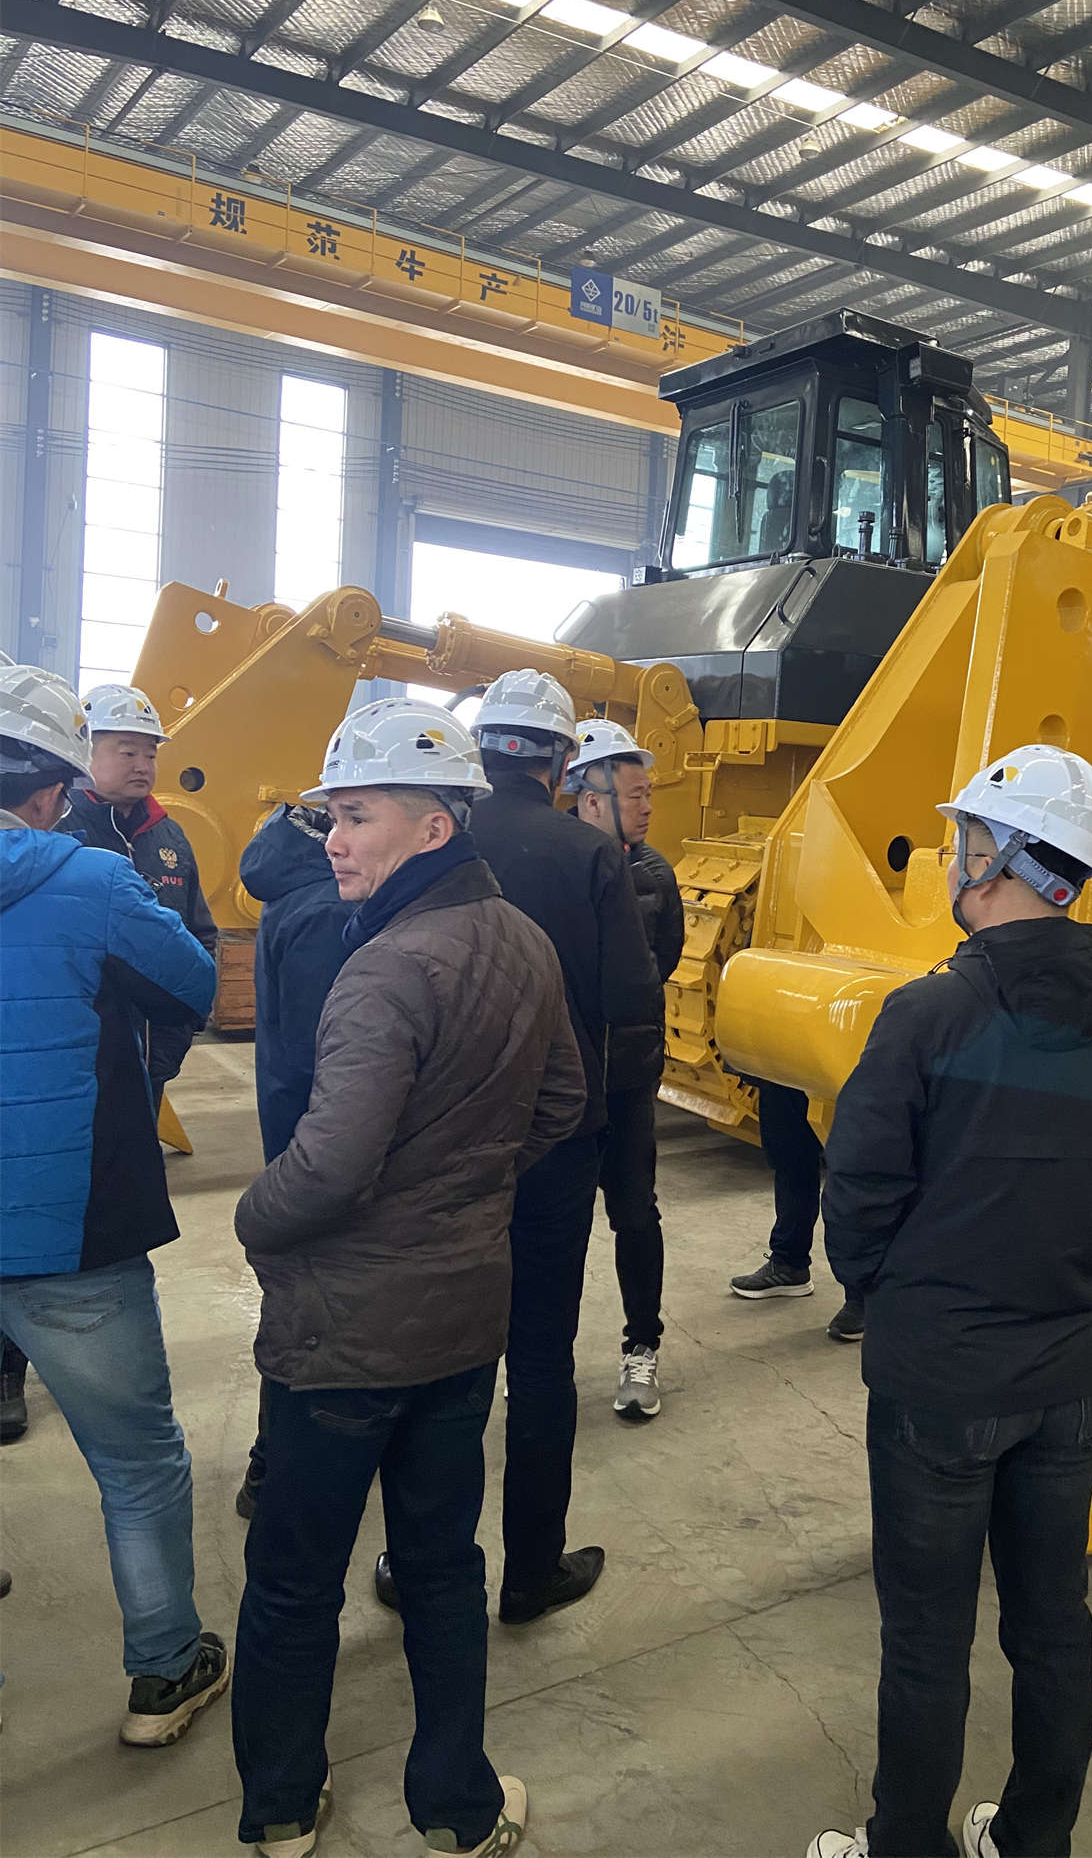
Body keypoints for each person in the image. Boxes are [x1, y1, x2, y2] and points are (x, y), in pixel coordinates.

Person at [808, 745, 1092, 1858]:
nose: (953, 859)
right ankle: (1031, 1839)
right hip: (1066, 1376)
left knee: (926, 1638)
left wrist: (901, 1296)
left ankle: (904, 1844)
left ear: (1003, 858)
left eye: (968, 840)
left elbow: (860, 1194)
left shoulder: (925, 1017)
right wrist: (1046, 1257)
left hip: (938, 1382)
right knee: (1052, 1624)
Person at [231, 698, 586, 1858]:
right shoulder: (523, 941)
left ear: (434, 826)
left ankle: (282, 1806)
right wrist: (467, 1186)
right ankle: (458, 1806)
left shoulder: (385, 968)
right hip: (460, 1322)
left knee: (293, 1581)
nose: (333, 839)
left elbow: (328, 1169)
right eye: (330, 816)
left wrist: (254, 1217)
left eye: (357, 816)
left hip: (343, 1335)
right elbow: (563, 1104)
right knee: (440, 1569)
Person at [392, 668, 659, 1626]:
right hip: (557, 1138)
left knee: (434, 1354)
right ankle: (530, 1570)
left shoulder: (435, 847)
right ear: (556, 757)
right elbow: (631, 1003)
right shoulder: (589, 852)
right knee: (540, 1357)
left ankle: (413, 1561)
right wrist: (615, 1128)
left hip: (441, 1139)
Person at [0, 663, 227, 1747]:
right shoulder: (91, 879)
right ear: (53, 786)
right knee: (136, 1463)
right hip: (68, 1232)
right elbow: (194, 982)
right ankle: (165, 1670)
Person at [231, 801, 356, 1520]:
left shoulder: (295, 893)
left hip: (296, 1136)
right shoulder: (323, 911)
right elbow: (326, 1059)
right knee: (311, 1304)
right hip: (316, 1145)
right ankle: (272, 1465)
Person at [563, 716, 685, 1421]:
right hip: (566, 1080)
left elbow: (659, 963)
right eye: (634, 792)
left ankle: (643, 1347)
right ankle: (543, 1350)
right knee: (557, 1220)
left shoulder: (655, 873)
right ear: (589, 793)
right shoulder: (557, 865)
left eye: (647, 794)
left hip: (632, 1076)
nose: (645, 804)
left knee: (635, 1213)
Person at [68, 681, 219, 1104]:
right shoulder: (59, 829)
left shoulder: (169, 835)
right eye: (127, 751)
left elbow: (199, 932)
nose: (143, 765)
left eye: (150, 754)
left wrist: (187, 1021)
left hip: (156, 1047)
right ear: (85, 750)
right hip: (79, 1049)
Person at [730, 1082, 867, 1344]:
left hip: (849, 1057)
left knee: (856, 1168)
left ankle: (864, 1294)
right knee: (789, 1154)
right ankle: (788, 1263)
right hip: (785, 1059)